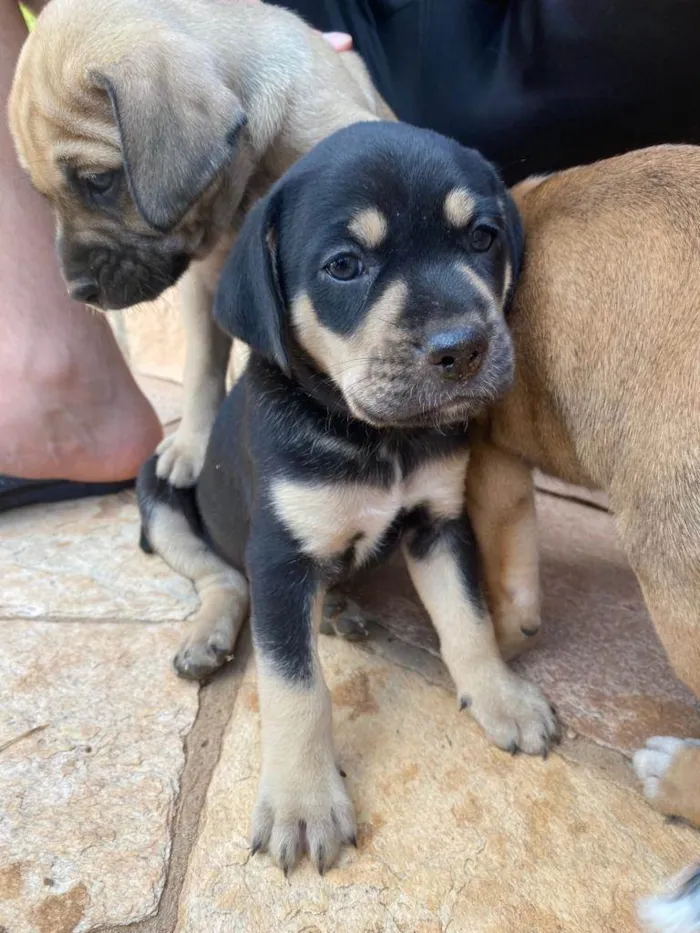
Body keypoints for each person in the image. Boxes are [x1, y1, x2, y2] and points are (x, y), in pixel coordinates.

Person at [3, 0, 700, 511]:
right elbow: (204, 247)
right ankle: (132, 397)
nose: (77, 262)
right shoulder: (170, 94)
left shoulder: (251, 108)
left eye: (98, 184)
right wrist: (202, 403)